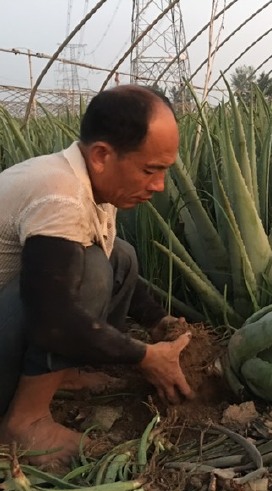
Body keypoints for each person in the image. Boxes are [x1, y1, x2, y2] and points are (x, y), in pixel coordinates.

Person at [0, 85, 194, 468]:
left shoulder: (85, 181)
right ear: (103, 155)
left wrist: (158, 321)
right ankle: (25, 421)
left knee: (118, 255)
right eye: (150, 170)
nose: (158, 186)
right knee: (89, 271)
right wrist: (143, 357)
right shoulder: (60, 196)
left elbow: (109, 260)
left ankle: (64, 374)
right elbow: (53, 319)